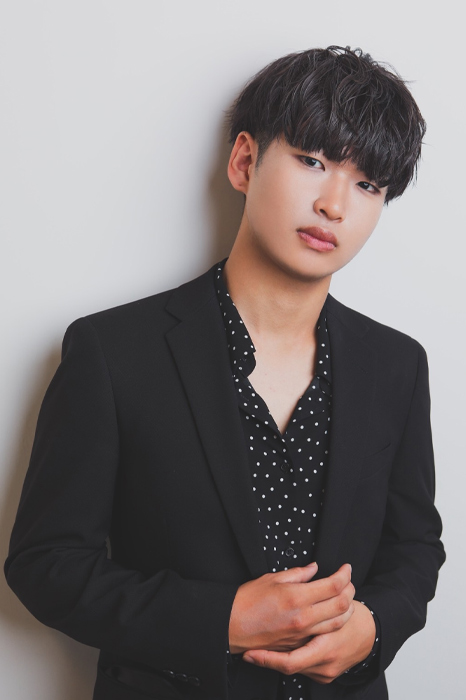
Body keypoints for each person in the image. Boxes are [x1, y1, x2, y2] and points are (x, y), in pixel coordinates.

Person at [5, 46, 445, 700]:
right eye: (312, 161)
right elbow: (46, 563)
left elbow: (416, 546)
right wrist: (222, 620)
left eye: (368, 185)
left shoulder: (396, 364)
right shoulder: (113, 350)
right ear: (244, 161)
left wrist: (374, 629)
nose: (335, 204)